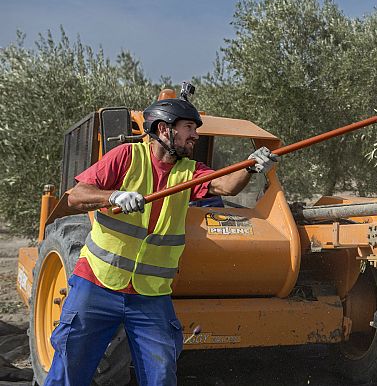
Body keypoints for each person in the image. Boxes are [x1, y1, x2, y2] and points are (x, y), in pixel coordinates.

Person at [45, 93, 277, 386]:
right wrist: (113, 195)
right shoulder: (126, 156)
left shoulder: (190, 172)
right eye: (189, 128)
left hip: (150, 296)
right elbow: (77, 195)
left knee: (161, 375)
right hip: (97, 285)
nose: (195, 135)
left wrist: (250, 166)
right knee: (69, 368)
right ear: (164, 129)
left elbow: (226, 185)